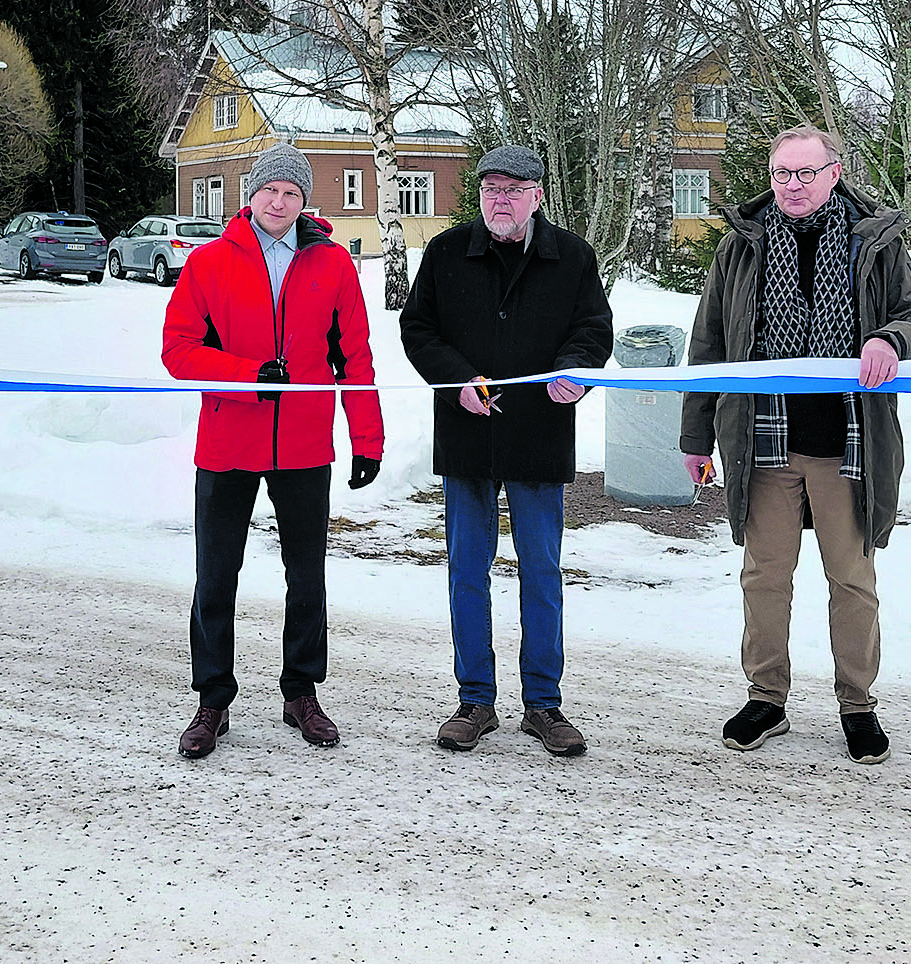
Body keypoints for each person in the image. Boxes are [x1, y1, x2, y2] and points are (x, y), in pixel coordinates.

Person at [680, 126, 911, 765]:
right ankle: (766, 697)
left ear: (834, 172)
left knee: (851, 578)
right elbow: (708, 345)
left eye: (803, 174)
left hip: (847, 443)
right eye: (780, 174)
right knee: (764, 577)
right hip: (763, 440)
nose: (791, 186)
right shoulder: (741, 247)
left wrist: (890, 340)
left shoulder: (874, 243)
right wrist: (695, 435)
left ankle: (857, 704)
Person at [161, 143, 384, 758]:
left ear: (305, 201)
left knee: (307, 575)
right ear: (249, 196)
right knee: (216, 575)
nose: (280, 202)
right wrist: (247, 373)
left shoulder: (333, 263)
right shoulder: (209, 262)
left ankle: (301, 692)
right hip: (229, 440)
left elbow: (355, 357)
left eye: (292, 193)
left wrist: (367, 437)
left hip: (305, 445)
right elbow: (178, 350)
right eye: (270, 191)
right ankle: (212, 700)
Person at [400, 144, 613, 757]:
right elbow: (419, 329)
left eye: (514, 190)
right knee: (468, 569)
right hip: (468, 437)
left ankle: (544, 703)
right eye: (492, 189)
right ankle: (475, 700)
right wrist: (456, 379)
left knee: (542, 572)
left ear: (537, 196)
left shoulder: (571, 256)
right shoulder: (446, 253)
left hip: (539, 435)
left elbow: (593, 328)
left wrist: (577, 370)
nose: (501, 200)